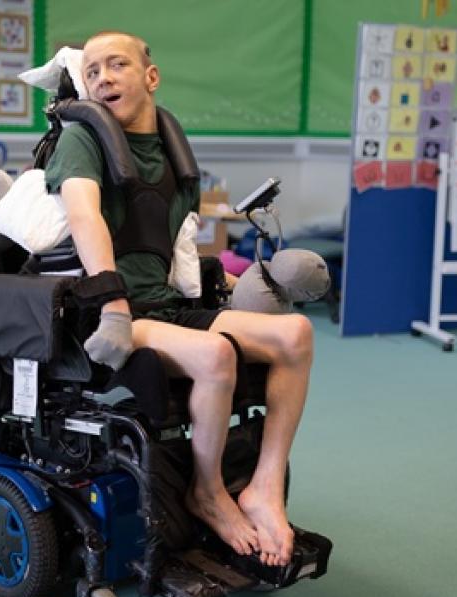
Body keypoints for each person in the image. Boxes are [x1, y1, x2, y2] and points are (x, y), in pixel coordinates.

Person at [44, 31, 314, 568]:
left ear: (151, 76)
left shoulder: (171, 147)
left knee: (295, 336)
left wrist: (235, 289)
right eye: (92, 70)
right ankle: (207, 492)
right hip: (103, 313)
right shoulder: (82, 139)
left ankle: (264, 486)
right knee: (215, 355)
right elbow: (84, 217)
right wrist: (113, 302)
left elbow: (180, 245)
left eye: (116, 64)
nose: (102, 78)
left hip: (165, 305)